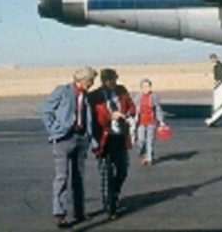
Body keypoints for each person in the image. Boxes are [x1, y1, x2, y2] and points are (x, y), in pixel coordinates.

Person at [40, 66, 98, 229]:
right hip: (63, 139)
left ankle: (79, 212)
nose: (91, 84)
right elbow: (46, 110)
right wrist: (54, 130)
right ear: (81, 80)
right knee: (62, 177)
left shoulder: (86, 96)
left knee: (79, 177)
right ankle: (60, 213)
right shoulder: (63, 91)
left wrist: (89, 138)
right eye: (90, 80)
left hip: (81, 139)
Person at [89, 68, 136, 220]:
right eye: (109, 80)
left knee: (123, 170)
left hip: (120, 137)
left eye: (114, 80)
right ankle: (110, 207)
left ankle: (114, 193)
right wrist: (110, 116)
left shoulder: (121, 91)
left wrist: (128, 114)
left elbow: (131, 106)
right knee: (106, 174)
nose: (112, 83)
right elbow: (96, 117)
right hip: (105, 139)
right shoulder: (95, 96)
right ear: (102, 81)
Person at [133, 78, 165, 165]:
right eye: (144, 86)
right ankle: (143, 153)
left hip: (151, 122)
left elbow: (158, 109)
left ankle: (149, 158)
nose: (146, 88)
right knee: (141, 140)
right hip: (140, 122)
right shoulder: (138, 98)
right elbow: (132, 108)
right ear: (141, 88)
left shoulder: (154, 97)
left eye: (148, 86)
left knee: (150, 140)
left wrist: (161, 121)